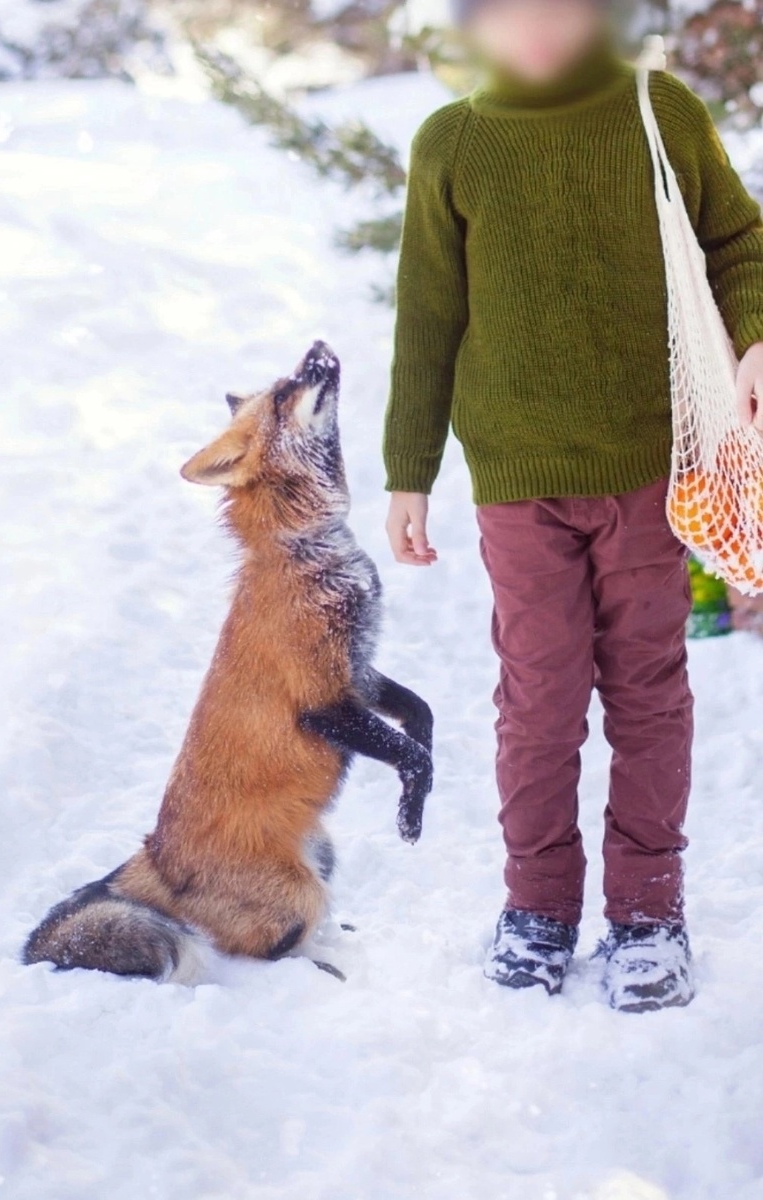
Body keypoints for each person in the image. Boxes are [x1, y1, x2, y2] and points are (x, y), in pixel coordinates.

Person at [383, 0, 763, 1012]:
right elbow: (428, 314)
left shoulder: (658, 112)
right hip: (515, 478)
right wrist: (409, 469)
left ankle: (646, 911)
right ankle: (538, 905)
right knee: (539, 699)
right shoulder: (453, 144)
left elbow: (735, 241)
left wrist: (756, 332)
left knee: (647, 688)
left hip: (652, 463)